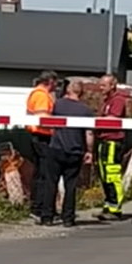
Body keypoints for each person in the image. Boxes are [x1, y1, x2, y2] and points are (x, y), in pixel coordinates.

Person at [40, 79, 94, 227]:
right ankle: (68, 218)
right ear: (81, 93)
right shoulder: (86, 111)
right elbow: (89, 134)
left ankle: (47, 216)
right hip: (75, 151)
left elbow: (45, 117)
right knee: (71, 186)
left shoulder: (58, 105)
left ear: (68, 90)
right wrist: (89, 151)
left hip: (56, 149)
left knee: (51, 183)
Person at [26, 70, 58, 221]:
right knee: (44, 174)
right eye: (56, 83)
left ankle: (37, 206)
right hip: (42, 136)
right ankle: (40, 208)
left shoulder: (35, 94)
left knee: (39, 173)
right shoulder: (42, 96)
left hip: (37, 137)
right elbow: (43, 118)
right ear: (50, 81)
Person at [95, 74, 129, 221]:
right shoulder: (106, 101)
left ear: (112, 85)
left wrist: (97, 121)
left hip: (112, 142)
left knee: (112, 174)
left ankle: (115, 208)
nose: (100, 88)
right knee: (104, 176)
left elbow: (113, 119)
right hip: (103, 141)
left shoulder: (118, 100)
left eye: (103, 85)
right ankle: (108, 205)